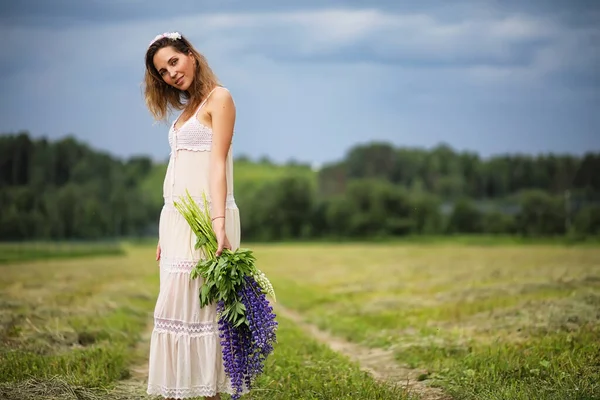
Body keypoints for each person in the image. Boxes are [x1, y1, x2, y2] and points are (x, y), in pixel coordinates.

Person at [142, 31, 241, 400]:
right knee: (175, 309)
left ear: (190, 56)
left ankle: (210, 393)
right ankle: (178, 392)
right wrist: (163, 233)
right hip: (177, 223)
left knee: (205, 310)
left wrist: (218, 223)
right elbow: (177, 173)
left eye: (173, 62)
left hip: (208, 216)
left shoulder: (220, 99)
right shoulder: (185, 111)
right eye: (162, 72)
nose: (171, 74)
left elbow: (217, 166)